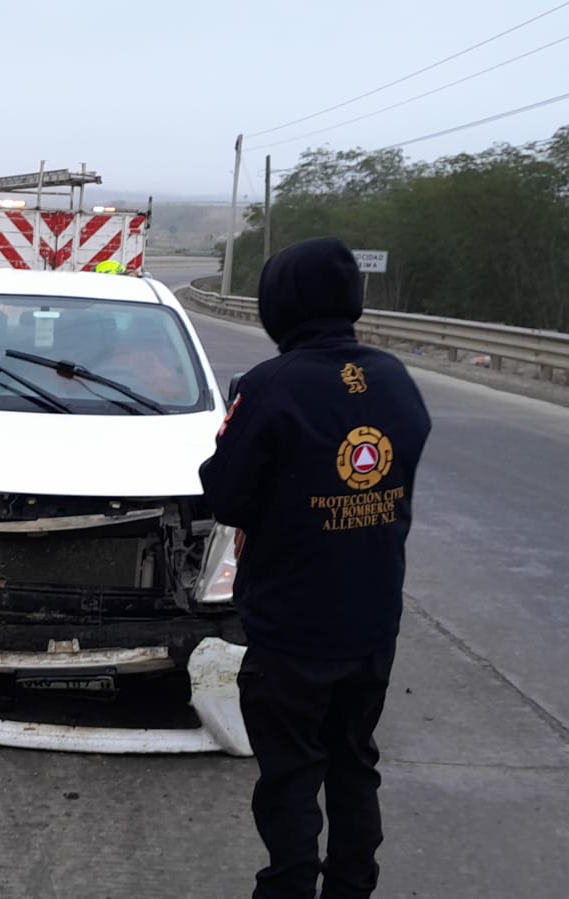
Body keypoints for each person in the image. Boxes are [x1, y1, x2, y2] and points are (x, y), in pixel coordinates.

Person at [198, 237, 431, 899]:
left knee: (292, 774)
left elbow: (226, 494)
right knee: (354, 763)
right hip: (371, 617)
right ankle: (352, 885)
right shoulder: (392, 376)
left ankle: (288, 886)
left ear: (280, 304)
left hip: (292, 624)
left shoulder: (272, 386)